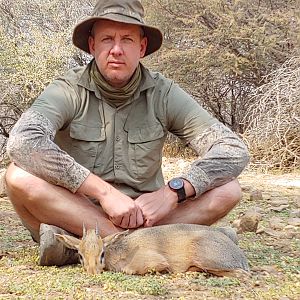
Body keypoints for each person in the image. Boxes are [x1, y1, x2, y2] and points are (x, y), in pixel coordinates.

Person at [5, 0, 249, 266]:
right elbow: (23, 141)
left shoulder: (164, 93)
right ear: (92, 45)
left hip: (149, 216)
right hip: (78, 211)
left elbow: (232, 149)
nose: (117, 50)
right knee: (18, 176)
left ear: (142, 47)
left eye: (128, 40)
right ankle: (150, 244)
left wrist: (172, 193)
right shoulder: (66, 89)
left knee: (228, 189)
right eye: (107, 39)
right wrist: (104, 193)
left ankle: (85, 248)